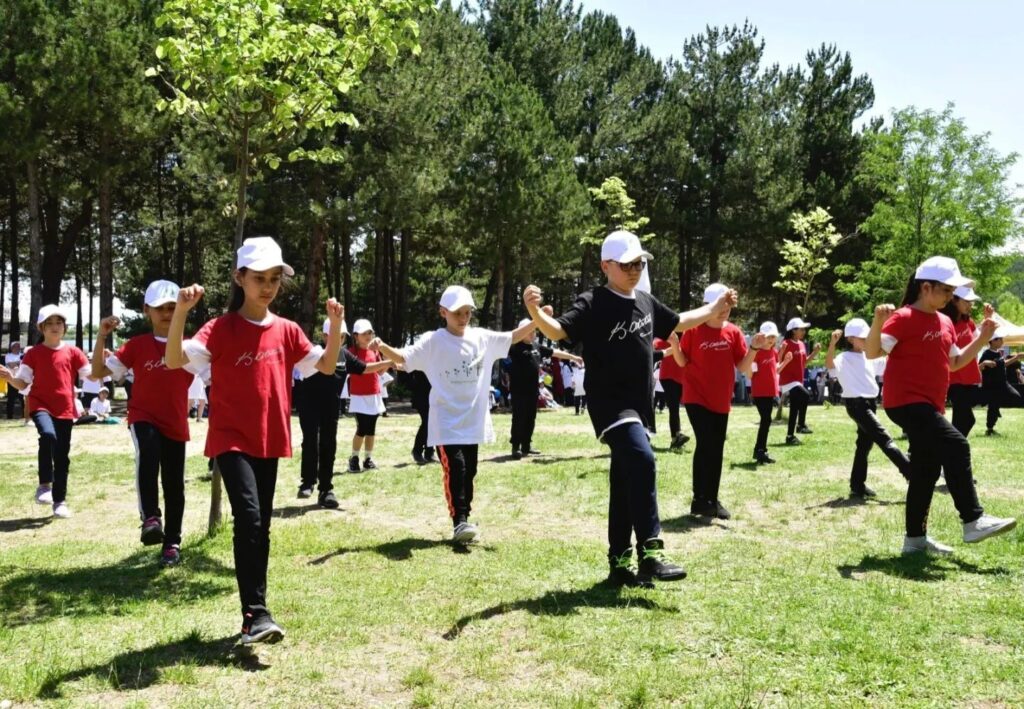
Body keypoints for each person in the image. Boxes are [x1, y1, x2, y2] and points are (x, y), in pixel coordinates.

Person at [524, 230, 737, 587]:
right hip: (610, 404)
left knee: (625, 481)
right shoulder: (592, 301)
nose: (635, 270)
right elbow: (559, 330)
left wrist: (715, 310)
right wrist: (533, 310)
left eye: (639, 263)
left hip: (639, 405)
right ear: (605, 266)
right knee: (642, 459)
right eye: (627, 265)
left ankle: (620, 564)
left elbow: (680, 321)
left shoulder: (645, 300)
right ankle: (651, 552)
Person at [164, 236, 344, 645]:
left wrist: (334, 327)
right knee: (249, 517)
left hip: (270, 437)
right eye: (259, 278)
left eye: (274, 279)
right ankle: (256, 614)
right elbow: (175, 359)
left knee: (259, 528)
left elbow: (328, 366)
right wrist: (180, 313)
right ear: (238, 278)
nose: (267, 286)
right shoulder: (220, 328)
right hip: (230, 439)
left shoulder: (287, 330)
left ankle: (254, 616)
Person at [866, 255, 1015, 554]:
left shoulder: (945, 321)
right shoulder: (903, 317)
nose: (951, 297)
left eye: (951, 292)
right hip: (905, 402)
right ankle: (973, 520)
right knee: (957, 445)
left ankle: (914, 541)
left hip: (930, 405)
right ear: (925, 287)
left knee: (926, 471)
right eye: (946, 291)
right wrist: (877, 321)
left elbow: (957, 363)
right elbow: (872, 353)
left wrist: (982, 338)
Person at [376, 285, 535, 546]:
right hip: (446, 421)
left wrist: (536, 316)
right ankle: (459, 520)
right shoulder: (433, 341)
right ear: (443, 312)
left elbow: (514, 336)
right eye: (457, 313)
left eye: (467, 312)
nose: (463, 318)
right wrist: (383, 347)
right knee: (457, 467)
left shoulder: (481, 337)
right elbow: (404, 357)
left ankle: (465, 518)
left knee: (469, 470)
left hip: (472, 421)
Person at [90, 280, 196, 566]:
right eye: (160, 308)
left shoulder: (189, 348)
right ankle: (150, 517)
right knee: (148, 454)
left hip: (176, 422)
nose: (166, 313)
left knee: (175, 483)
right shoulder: (136, 346)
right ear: (146, 310)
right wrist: (102, 336)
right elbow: (97, 371)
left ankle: (172, 543)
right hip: (143, 415)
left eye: (172, 307)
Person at [678, 283, 764, 519]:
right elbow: (683, 361)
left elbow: (743, 367)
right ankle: (699, 498)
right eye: (720, 304)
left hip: (720, 399)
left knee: (716, 448)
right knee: (706, 442)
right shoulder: (693, 331)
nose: (725, 309)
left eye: (728, 305)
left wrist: (754, 348)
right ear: (708, 305)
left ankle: (711, 500)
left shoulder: (734, 332)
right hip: (696, 397)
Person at [0, 305, 92, 518]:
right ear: (41, 328)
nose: (54, 327)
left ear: (64, 327)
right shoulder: (34, 354)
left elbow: (91, 374)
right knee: (48, 435)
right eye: (49, 323)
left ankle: (59, 501)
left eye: (58, 322)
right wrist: (9, 378)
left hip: (66, 409)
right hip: (40, 404)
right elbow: (23, 384)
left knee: (62, 456)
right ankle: (44, 485)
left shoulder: (73, 352)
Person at [295, 318, 392, 505]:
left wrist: (387, 362)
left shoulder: (344, 355)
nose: (338, 340)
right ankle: (307, 482)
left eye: (342, 336)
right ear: (324, 336)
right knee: (310, 442)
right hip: (309, 405)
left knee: (328, 444)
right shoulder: (314, 352)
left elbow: (364, 368)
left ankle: (326, 489)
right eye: (334, 336)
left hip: (331, 406)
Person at [826, 319, 910, 498]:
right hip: (856, 405)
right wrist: (832, 344)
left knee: (864, 445)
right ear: (850, 339)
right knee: (884, 438)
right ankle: (910, 473)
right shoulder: (844, 358)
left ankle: (857, 485)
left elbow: (887, 363)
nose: (866, 341)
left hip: (870, 403)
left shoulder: (869, 356)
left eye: (867, 337)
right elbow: (830, 366)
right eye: (862, 338)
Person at [508, 319, 579, 460]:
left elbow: (554, 352)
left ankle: (526, 446)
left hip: (533, 391)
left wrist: (572, 356)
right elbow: (509, 337)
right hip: (518, 391)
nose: (533, 333)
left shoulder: (536, 346)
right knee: (519, 419)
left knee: (530, 418)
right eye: (529, 331)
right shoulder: (514, 347)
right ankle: (516, 447)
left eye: (534, 330)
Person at [939, 286, 986, 437]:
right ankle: (953, 450)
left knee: (962, 419)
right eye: (966, 301)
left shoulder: (969, 322)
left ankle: (951, 452)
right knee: (967, 419)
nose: (970, 305)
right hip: (953, 378)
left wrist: (987, 320)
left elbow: (979, 343)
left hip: (968, 375)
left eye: (971, 301)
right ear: (954, 300)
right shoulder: (945, 323)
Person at [346, 319, 386, 472]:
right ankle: (354, 458)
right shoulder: (350, 353)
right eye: (364, 333)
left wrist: (388, 362)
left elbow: (380, 371)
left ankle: (368, 459)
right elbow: (365, 369)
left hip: (374, 395)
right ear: (356, 336)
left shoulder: (374, 351)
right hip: (359, 396)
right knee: (361, 429)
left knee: (371, 430)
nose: (368, 336)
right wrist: (386, 363)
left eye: (370, 332)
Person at [751, 321, 791, 465]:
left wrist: (785, 361)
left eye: (773, 337)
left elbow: (775, 370)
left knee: (766, 421)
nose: (771, 340)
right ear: (761, 338)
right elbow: (751, 373)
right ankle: (760, 450)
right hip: (760, 392)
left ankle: (760, 450)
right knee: (766, 420)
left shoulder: (773, 352)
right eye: (768, 337)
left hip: (770, 392)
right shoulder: (756, 353)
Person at [779, 317, 821, 444]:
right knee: (806, 394)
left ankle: (790, 436)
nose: (804, 331)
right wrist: (781, 351)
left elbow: (804, 363)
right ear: (793, 331)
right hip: (788, 380)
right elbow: (777, 361)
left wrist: (815, 352)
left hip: (797, 380)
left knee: (794, 408)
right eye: (801, 329)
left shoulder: (802, 344)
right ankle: (801, 425)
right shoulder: (786, 343)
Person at [979, 329, 1023, 436]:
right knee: (993, 407)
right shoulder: (986, 354)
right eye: (1000, 339)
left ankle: (998, 403)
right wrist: (985, 364)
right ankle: (989, 429)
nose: (1002, 341)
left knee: (1016, 397)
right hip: (993, 386)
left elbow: (1003, 364)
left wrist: (1016, 357)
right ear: (993, 341)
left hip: (1003, 384)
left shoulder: (998, 352)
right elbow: (979, 367)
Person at [654, 334, 689, 448]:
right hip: (668, 377)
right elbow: (655, 345)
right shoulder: (669, 336)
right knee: (674, 407)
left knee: (676, 408)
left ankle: (676, 437)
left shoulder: (687, 336)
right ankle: (676, 437)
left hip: (681, 378)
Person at [5, 341, 23, 419]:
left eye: (18, 346)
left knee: (22, 398)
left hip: (21, 379)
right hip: (11, 379)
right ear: (11, 348)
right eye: (15, 346)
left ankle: (24, 415)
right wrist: (19, 362)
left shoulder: (22, 355)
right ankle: (10, 416)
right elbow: (10, 365)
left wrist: (16, 363)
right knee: (11, 398)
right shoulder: (8, 356)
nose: (17, 348)